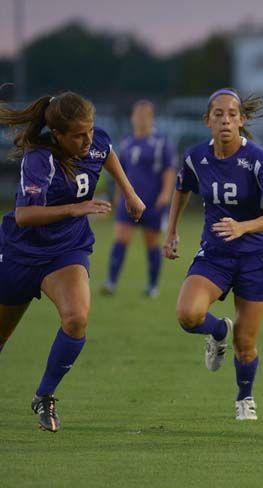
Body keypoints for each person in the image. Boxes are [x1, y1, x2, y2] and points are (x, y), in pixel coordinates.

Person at [0, 92, 145, 431]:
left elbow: (106, 152)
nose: (87, 139)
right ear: (58, 134)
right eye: (78, 135)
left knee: (76, 318)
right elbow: (24, 215)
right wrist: (75, 208)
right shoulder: (39, 158)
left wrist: (130, 193)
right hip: (21, 252)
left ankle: (45, 395)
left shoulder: (95, 141)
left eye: (90, 130)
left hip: (67, 250)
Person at [163, 88, 263, 421]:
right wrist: (171, 230)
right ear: (207, 121)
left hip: (255, 256)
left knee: (246, 342)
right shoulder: (195, 157)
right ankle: (218, 332)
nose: (226, 120)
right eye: (218, 114)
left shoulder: (259, 159)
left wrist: (243, 227)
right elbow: (181, 188)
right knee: (188, 315)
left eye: (232, 114)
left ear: (241, 120)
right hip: (215, 254)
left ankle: (244, 398)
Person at [101, 100, 177, 298]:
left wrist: (166, 194)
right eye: (138, 114)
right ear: (133, 117)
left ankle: (152, 286)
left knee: (151, 243)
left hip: (152, 202)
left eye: (146, 115)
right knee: (120, 238)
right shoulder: (127, 141)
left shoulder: (161, 142)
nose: (141, 118)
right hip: (128, 201)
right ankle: (111, 282)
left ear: (151, 118)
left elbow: (169, 170)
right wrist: (119, 194)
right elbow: (121, 171)